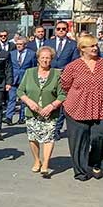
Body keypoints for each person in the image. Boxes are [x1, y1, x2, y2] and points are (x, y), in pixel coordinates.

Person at [60, 34, 103, 182]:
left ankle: (94, 162)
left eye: (95, 45)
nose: (95, 48)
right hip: (77, 108)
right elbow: (65, 86)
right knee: (79, 142)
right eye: (91, 46)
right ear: (82, 49)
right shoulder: (72, 67)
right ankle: (81, 171)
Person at [17, 47, 66, 178]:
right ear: (38, 59)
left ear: (51, 59)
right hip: (32, 113)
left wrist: (52, 106)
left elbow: (62, 94)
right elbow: (20, 91)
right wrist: (29, 102)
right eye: (42, 57)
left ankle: (45, 164)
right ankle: (37, 160)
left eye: (48, 58)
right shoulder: (29, 72)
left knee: (48, 137)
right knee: (33, 138)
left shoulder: (57, 74)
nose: (45, 60)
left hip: (50, 113)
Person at [46, 21, 79, 139]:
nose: (61, 31)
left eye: (63, 29)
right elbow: (42, 58)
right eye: (59, 29)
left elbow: (75, 61)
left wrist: (64, 70)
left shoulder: (73, 44)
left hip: (66, 77)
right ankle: (48, 127)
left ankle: (56, 129)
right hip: (49, 76)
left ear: (67, 30)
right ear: (55, 30)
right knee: (49, 102)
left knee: (61, 104)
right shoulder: (48, 43)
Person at [7, 35, 37, 125]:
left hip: (25, 79)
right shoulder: (12, 53)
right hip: (14, 79)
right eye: (17, 44)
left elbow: (33, 67)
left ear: (25, 45)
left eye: (20, 44)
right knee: (11, 99)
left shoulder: (31, 54)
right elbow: (9, 67)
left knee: (24, 100)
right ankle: (9, 117)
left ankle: (22, 117)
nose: (18, 46)